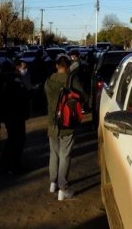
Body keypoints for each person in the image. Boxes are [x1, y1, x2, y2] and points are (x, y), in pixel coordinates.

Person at [45, 55, 86, 201]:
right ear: (68, 66)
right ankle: (63, 188)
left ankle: (52, 182)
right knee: (65, 155)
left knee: (54, 154)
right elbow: (83, 97)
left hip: (52, 123)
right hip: (67, 123)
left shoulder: (49, 81)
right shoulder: (71, 79)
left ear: (56, 66)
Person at [0, 60, 31, 174]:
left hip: (11, 115)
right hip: (15, 115)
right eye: (24, 67)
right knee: (17, 140)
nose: (25, 69)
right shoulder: (15, 81)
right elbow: (20, 98)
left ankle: (6, 162)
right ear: (17, 67)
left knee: (13, 139)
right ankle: (13, 165)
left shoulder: (9, 80)